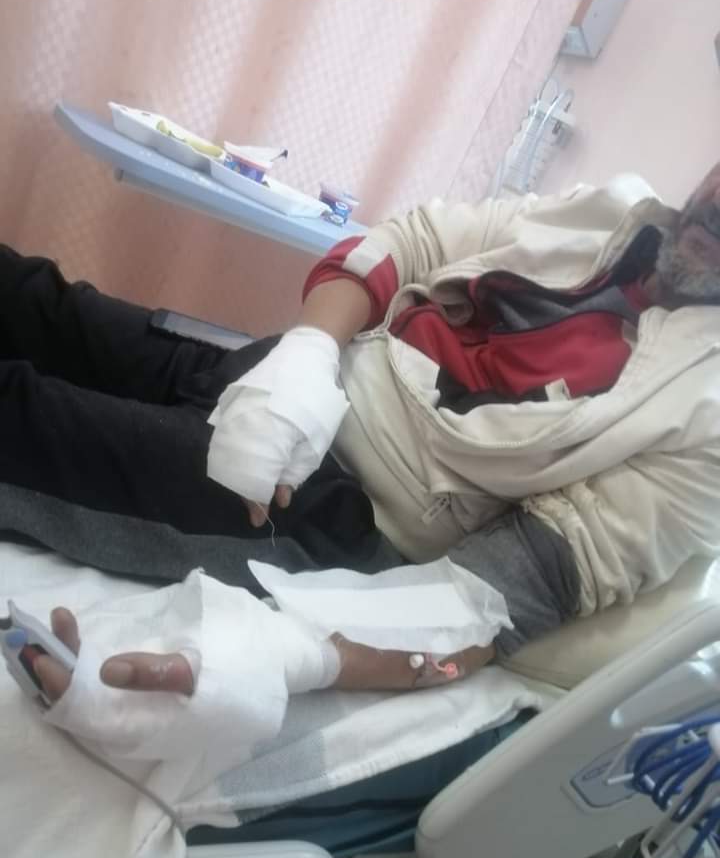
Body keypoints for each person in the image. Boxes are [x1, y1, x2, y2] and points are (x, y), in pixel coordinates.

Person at [6, 162, 720, 701]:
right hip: (284, 385)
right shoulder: (607, 213)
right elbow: (409, 241)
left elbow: (503, 595)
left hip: (325, 508)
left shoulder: (706, 415)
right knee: (33, 297)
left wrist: (294, 657)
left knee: (23, 414)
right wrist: (308, 352)